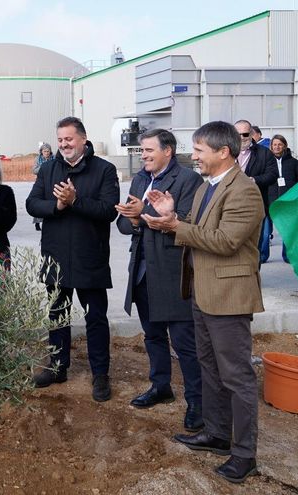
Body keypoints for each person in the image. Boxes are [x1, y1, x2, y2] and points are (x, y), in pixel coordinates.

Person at [142, 121, 265, 485]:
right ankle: (216, 433)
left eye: (199, 150)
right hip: (201, 292)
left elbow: (225, 241)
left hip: (228, 297)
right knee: (209, 369)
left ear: (222, 152)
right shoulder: (206, 188)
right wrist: (172, 213)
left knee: (236, 376)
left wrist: (173, 227)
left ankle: (244, 454)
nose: (193, 156)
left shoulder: (244, 191)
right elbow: (197, 228)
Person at [114, 129, 204, 431]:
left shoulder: (188, 181)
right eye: (142, 151)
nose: (145, 155)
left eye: (150, 150)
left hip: (172, 272)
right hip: (141, 271)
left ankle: (197, 404)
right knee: (152, 335)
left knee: (184, 343)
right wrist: (134, 218)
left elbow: (188, 223)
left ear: (168, 151)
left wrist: (144, 213)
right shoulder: (140, 179)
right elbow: (123, 225)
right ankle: (161, 386)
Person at [25, 116, 119, 402]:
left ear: (83, 138)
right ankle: (57, 366)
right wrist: (57, 204)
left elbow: (108, 211)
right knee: (57, 317)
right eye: (61, 139)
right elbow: (32, 204)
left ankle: (100, 374)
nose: (64, 144)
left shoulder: (104, 170)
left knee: (95, 319)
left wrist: (76, 201)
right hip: (56, 258)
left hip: (90, 258)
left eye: (69, 139)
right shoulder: (49, 169)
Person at [233, 120, 277, 264]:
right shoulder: (226, 152)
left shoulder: (264, 153)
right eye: (237, 134)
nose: (241, 137)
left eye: (245, 134)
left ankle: (254, 275)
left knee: (258, 242)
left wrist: (254, 180)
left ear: (251, 134)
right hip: (231, 205)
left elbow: (272, 175)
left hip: (257, 205)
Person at [267, 135, 298, 263]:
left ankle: (287, 255)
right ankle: (262, 256)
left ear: (284, 146)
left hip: (288, 200)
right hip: (271, 200)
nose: (277, 147)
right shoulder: (267, 161)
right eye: (274, 144)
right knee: (266, 231)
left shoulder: (293, 162)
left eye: (279, 144)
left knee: (287, 230)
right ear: (271, 146)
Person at [33, 143, 54, 231]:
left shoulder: (54, 158)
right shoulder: (38, 159)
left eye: (48, 151)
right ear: (41, 152)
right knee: (38, 203)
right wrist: (44, 166)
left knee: (50, 203)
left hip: (52, 183)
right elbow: (34, 170)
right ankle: (37, 223)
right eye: (44, 151)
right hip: (41, 184)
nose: (46, 153)